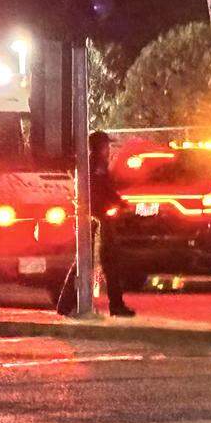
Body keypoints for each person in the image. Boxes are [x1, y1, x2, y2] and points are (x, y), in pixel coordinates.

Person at [57, 130, 135, 317]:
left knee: (88, 261)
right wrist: (120, 203)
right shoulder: (96, 164)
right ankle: (114, 305)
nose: (109, 149)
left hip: (94, 220)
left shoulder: (91, 163)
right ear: (101, 146)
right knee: (103, 262)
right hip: (97, 221)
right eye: (107, 145)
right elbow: (102, 190)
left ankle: (66, 304)